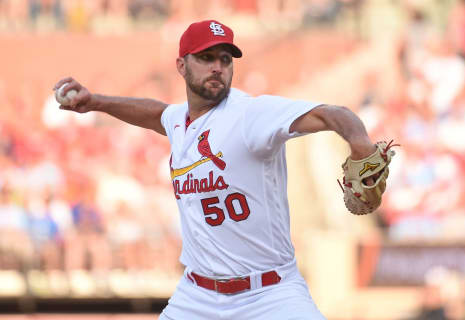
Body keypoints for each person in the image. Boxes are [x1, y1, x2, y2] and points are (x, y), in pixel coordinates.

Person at [54, 19, 378, 320]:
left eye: (225, 59)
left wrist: (360, 144)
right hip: (197, 296)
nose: (217, 67)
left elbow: (332, 114)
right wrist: (96, 102)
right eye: (207, 57)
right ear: (181, 66)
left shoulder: (250, 115)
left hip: (269, 294)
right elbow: (157, 115)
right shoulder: (179, 121)